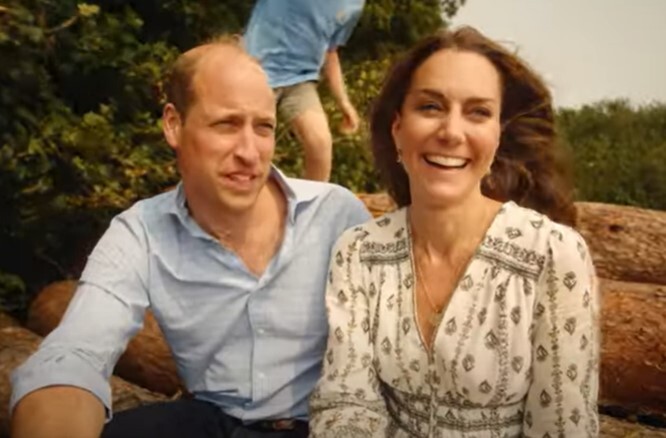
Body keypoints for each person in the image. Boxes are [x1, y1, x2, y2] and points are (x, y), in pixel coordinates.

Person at [10, 36, 370, 438]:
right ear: (174, 125)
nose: (250, 152)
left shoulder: (337, 215)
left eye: (264, 127)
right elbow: (75, 353)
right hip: (216, 422)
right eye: (226, 124)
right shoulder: (142, 233)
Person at [309, 26, 600, 437]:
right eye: (430, 106)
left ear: (497, 134)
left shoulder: (552, 254)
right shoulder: (359, 253)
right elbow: (345, 403)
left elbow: (562, 427)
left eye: (478, 112)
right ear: (397, 128)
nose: (451, 131)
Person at [243, 0, 365, 182]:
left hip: (300, 80)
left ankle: (313, 205)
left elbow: (330, 52)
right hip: (258, 71)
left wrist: (344, 103)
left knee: (320, 143)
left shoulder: (353, 5)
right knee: (252, 144)